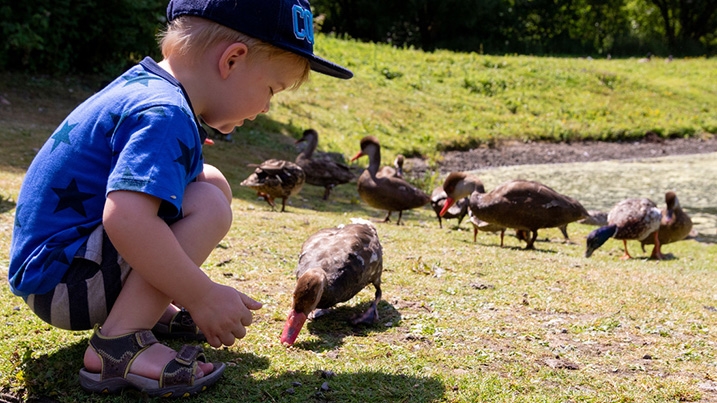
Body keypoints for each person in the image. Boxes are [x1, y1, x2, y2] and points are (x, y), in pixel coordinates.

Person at [8, 0, 352, 397]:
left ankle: (144, 309)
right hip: (66, 285)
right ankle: (118, 343)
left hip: (58, 271)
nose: (265, 107)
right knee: (208, 205)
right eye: (271, 89)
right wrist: (201, 294)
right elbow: (126, 219)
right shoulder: (165, 112)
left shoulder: (145, 86)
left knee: (211, 184)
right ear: (233, 61)